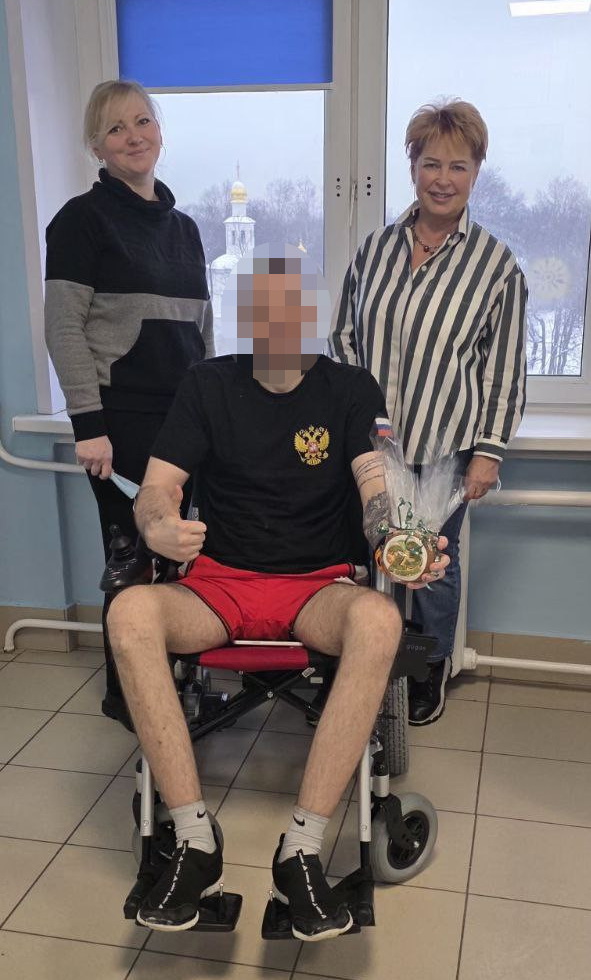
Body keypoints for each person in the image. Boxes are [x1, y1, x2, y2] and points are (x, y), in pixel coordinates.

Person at [106, 246, 449, 940]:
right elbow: (157, 487)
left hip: (317, 587)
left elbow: (375, 488)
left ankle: (301, 852)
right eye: (263, 309)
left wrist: (395, 541)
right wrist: (158, 525)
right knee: (130, 610)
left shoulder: (350, 389)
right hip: (220, 585)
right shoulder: (207, 384)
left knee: (379, 622)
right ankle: (194, 840)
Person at [329, 99, 527, 726]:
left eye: (458, 166)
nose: (443, 179)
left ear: (476, 173)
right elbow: (343, 340)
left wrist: (488, 452)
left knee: (432, 564)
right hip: (370, 447)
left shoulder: (497, 267)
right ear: (412, 166)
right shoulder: (375, 251)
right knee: (365, 555)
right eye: (431, 164)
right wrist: (352, 418)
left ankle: (427, 668)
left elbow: (503, 369)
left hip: (446, 446)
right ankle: (358, 666)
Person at [44, 80, 214, 729]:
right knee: (133, 558)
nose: (133, 136)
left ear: (159, 132)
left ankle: (175, 684)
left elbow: (201, 330)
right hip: (120, 421)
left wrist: (211, 407)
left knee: (178, 556)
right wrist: (88, 424)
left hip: (183, 418)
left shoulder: (184, 229)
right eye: (116, 128)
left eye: (143, 122)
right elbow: (63, 326)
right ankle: (130, 696)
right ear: (97, 145)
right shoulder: (81, 221)